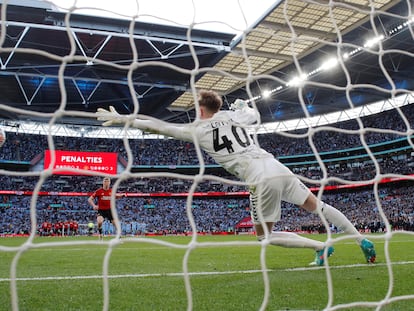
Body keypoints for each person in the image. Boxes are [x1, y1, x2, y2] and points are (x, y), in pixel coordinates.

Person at [96, 90, 376, 265]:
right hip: (276, 166)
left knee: (264, 237)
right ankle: (361, 240)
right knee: (320, 207)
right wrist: (243, 104)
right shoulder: (236, 116)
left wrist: (124, 119)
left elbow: (158, 127)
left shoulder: (198, 128)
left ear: (201, 109)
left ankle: (321, 247)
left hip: (259, 177)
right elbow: (251, 111)